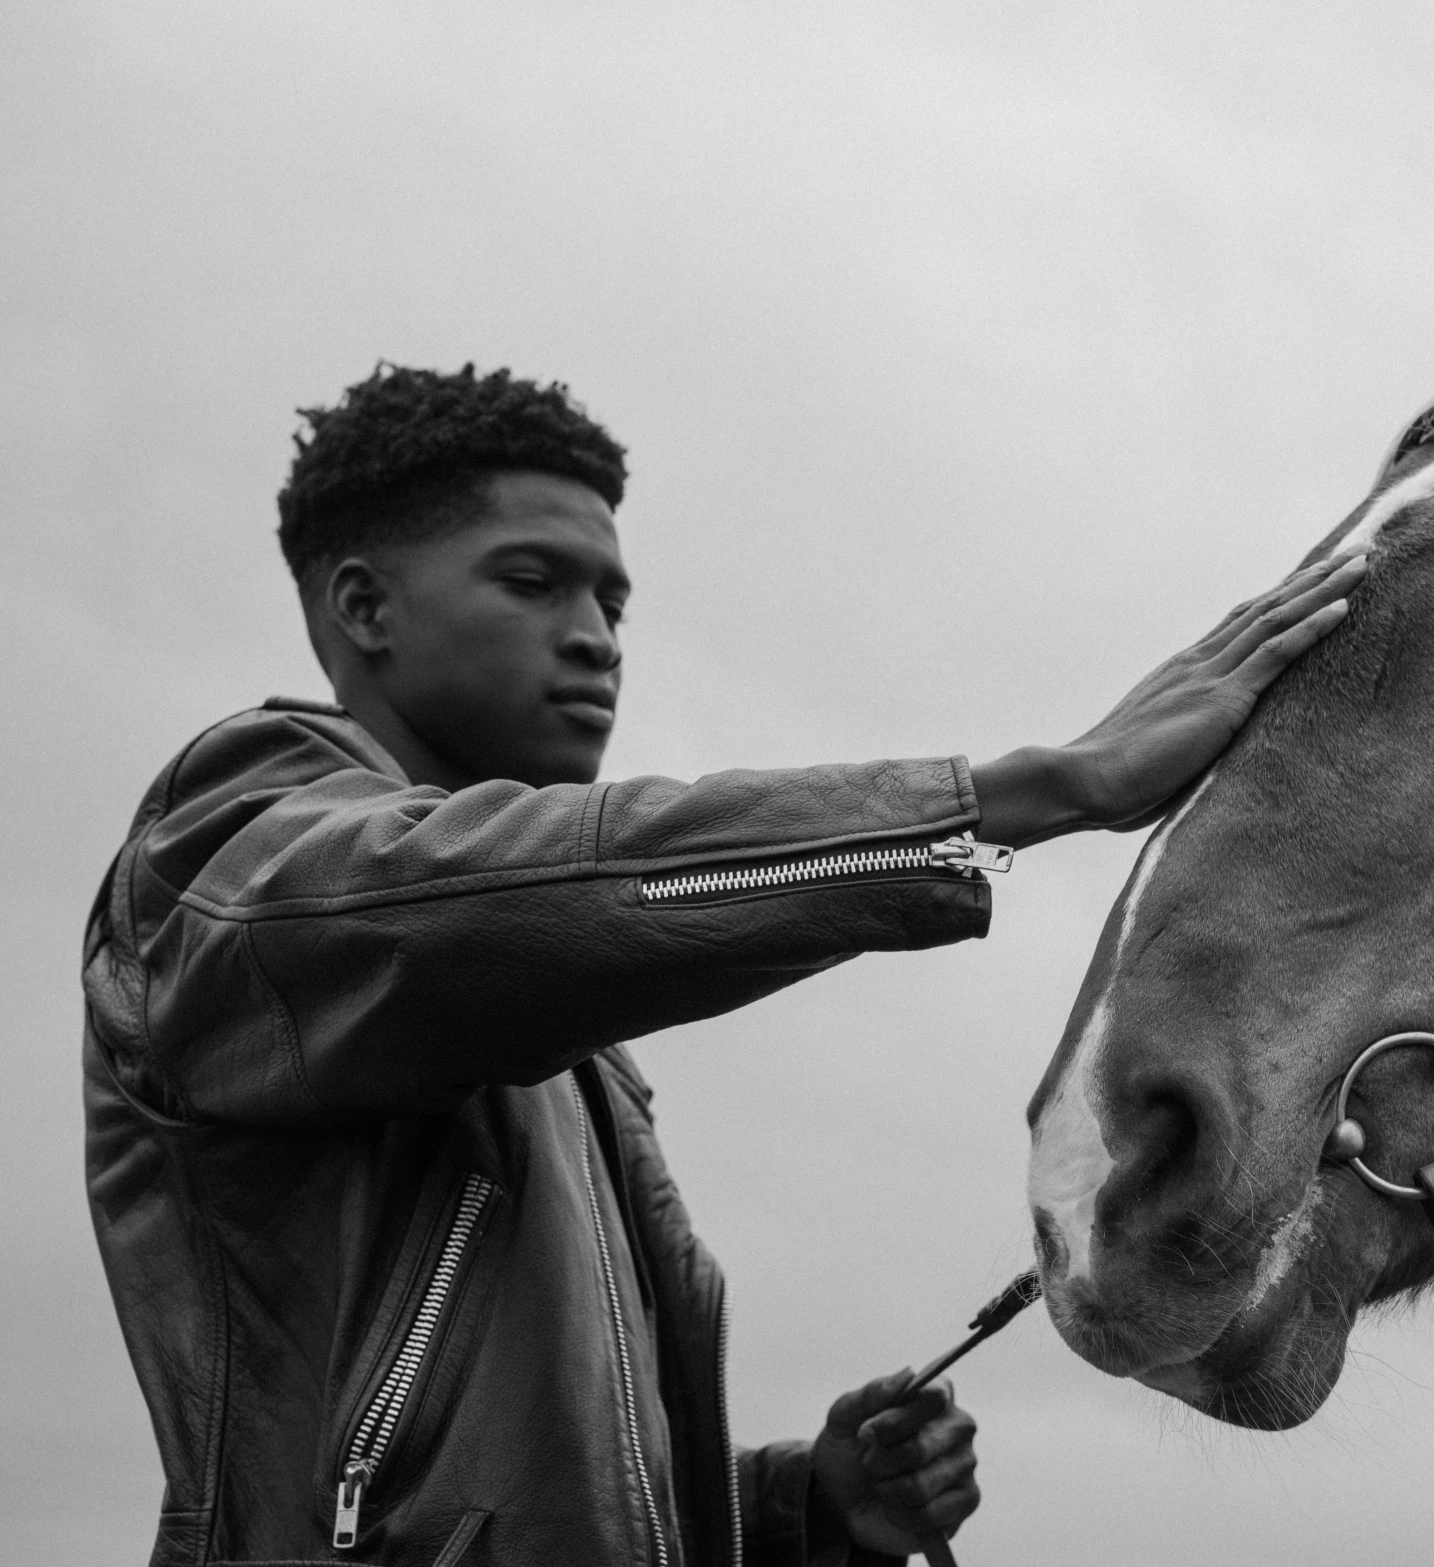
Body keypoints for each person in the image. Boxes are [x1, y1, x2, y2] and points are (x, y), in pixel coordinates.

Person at [81, 364, 1363, 1566]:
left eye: (613, 600)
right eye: (534, 582)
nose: (596, 637)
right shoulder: (226, 858)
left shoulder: (564, 1033)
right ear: (363, 606)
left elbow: (562, 1491)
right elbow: (445, 905)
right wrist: (1031, 791)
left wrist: (803, 1507)